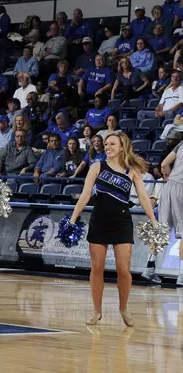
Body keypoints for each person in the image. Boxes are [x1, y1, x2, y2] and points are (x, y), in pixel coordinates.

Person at [68, 132, 158, 326]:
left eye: (112, 144)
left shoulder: (132, 170)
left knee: (123, 269)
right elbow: (85, 195)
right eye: (106, 144)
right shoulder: (97, 166)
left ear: (122, 147)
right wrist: (73, 219)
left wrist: (153, 220)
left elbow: (142, 197)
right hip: (99, 220)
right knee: (97, 267)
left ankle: (123, 308)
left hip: (122, 222)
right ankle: (96, 311)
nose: (107, 146)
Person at [157, 140, 183, 286]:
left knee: (161, 228)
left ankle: (149, 267)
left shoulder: (181, 143)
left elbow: (164, 164)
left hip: (168, 186)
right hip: (182, 188)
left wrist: (168, 177)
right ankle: (182, 275)